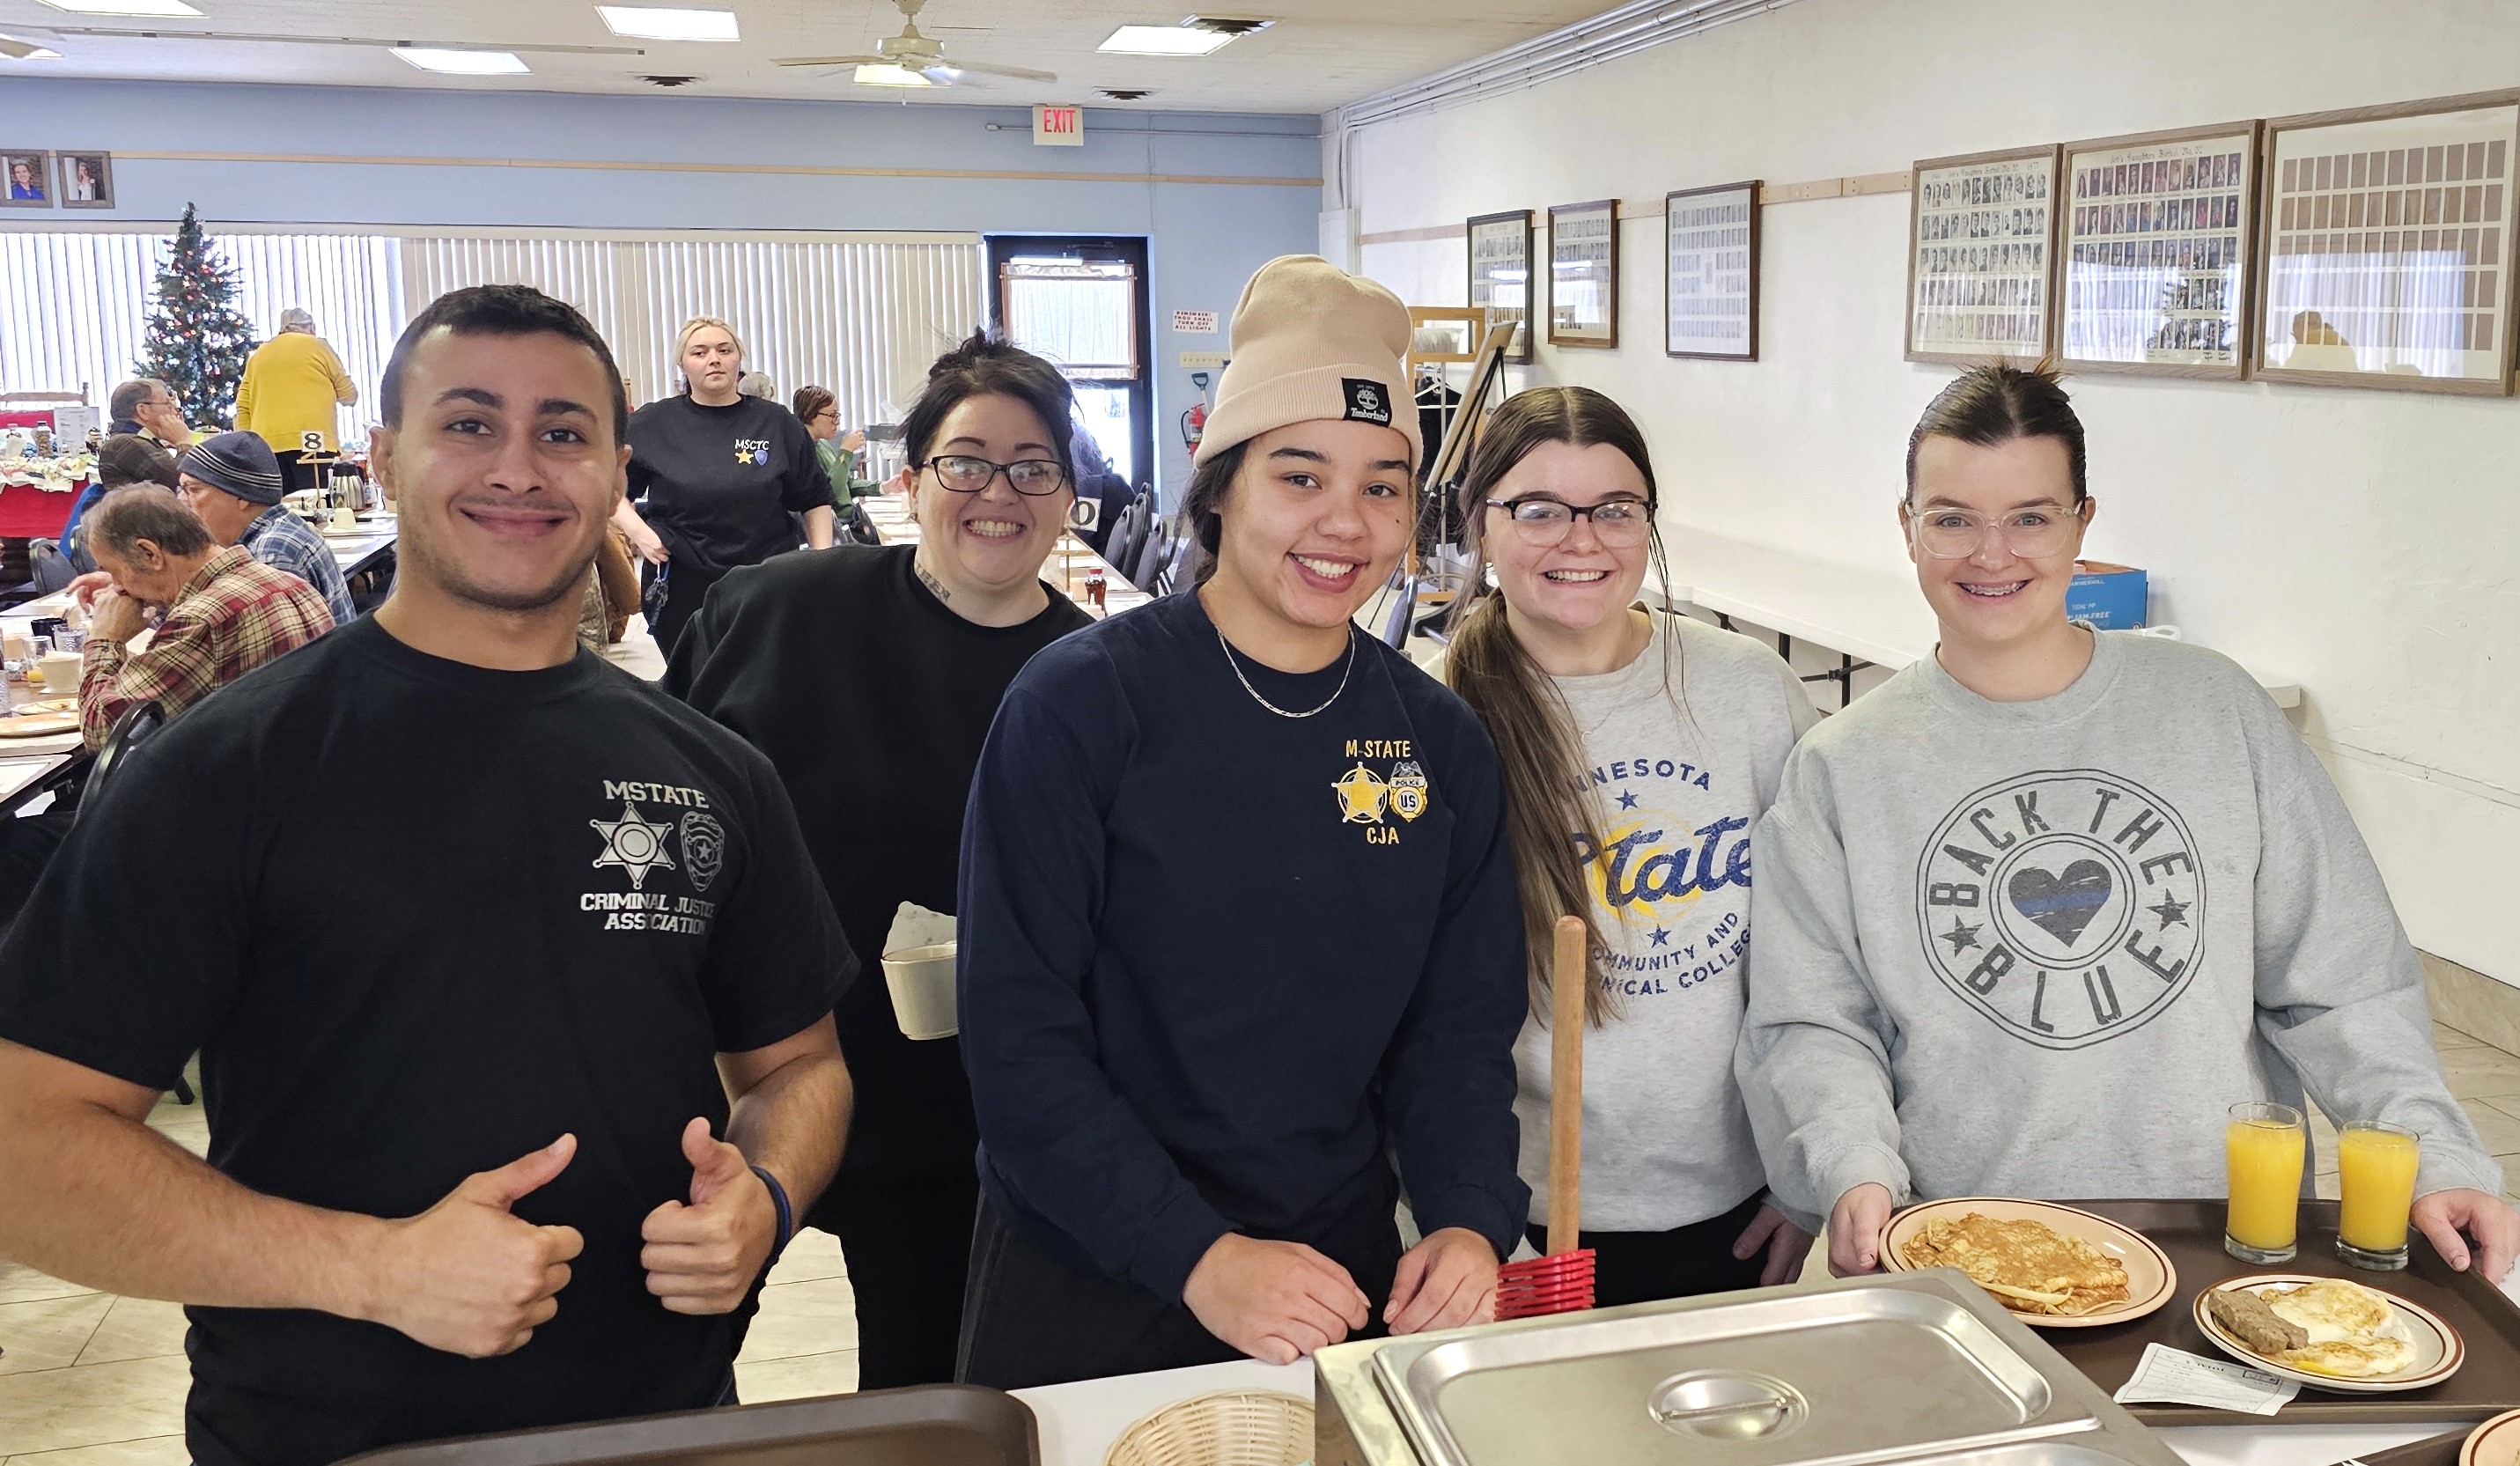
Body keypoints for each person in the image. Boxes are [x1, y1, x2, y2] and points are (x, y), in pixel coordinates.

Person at [0, 284, 858, 1466]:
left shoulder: (710, 771)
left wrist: (763, 1189)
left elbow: (799, 1064)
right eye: (468, 424)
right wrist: (372, 1268)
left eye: (562, 433)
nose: (519, 468)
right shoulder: (231, 769)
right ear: (384, 456)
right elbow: (26, 1141)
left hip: (668, 1421)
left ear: (616, 474)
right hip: (328, 1435)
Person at [1735, 363, 2519, 1281]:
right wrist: (1847, 1167)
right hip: (1961, 1239)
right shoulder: (1844, 765)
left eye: (2030, 517)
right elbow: (1813, 1020)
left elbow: (2344, 982)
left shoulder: (2214, 712)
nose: (1993, 554)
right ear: (1907, 526)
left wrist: (2432, 1150)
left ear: (2082, 524)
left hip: (2221, 1231)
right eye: (1952, 519)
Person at [955, 255, 1528, 1389]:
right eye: (1299, 477)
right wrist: (1199, 1256)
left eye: (1382, 486)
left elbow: (1457, 1035)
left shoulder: (1436, 740)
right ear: (1219, 488)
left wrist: (1467, 1220)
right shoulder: (1083, 705)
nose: (1344, 523)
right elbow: (1020, 1042)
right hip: (1097, 1271)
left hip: (1332, 1277)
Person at [669, 333, 1094, 1388]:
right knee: (652, 1373)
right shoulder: (775, 613)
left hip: (955, 1120)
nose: (999, 491)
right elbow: (663, 806)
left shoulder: (1101, 680)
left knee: (922, 1394)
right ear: (910, 481)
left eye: (1033, 467)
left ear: (1068, 496)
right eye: (966, 461)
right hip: (745, 1081)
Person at [1434, 386, 1816, 1306]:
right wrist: (1457, 1219)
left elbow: (1823, 952)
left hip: (1736, 1203)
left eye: (1614, 509)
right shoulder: (1432, 715)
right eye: (1538, 509)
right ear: (1479, 525)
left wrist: (1806, 1178)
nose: (1581, 538)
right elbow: (1398, 1017)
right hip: (1517, 1220)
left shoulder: (1752, 694)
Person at [614, 318, 834, 652]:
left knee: (762, 683)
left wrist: (822, 563)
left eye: (724, 350)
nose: (713, 359)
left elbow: (815, 499)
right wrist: (640, 533)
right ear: (682, 365)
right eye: (699, 352)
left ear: (738, 360)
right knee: (692, 686)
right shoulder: (652, 424)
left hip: (766, 579)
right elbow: (613, 491)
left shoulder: (776, 423)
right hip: (682, 580)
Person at [73, 487, 335, 748]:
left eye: (114, 571)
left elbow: (104, 733)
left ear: (150, 554)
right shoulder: (289, 583)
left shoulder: (203, 621)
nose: (117, 588)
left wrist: (104, 640)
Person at [170, 430, 358, 627]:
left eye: (193, 490)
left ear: (242, 496)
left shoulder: (271, 552)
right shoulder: (280, 528)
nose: (183, 502)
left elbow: (279, 650)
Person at [235, 307, 359, 493]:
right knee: (318, 505)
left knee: (284, 507)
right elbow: (349, 395)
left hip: (268, 447)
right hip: (313, 443)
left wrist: (249, 447)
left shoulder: (259, 354)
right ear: (310, 327)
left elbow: (242, 406)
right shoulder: (318, 346)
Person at [792, 385, 871, 513]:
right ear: (811, 415)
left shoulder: (822, 443)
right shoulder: (801, 450)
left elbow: (846, 484)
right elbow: (828, 493)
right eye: (832, 415)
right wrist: (846, 451)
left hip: (849, 518)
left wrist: (882, 487)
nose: (837, 422)